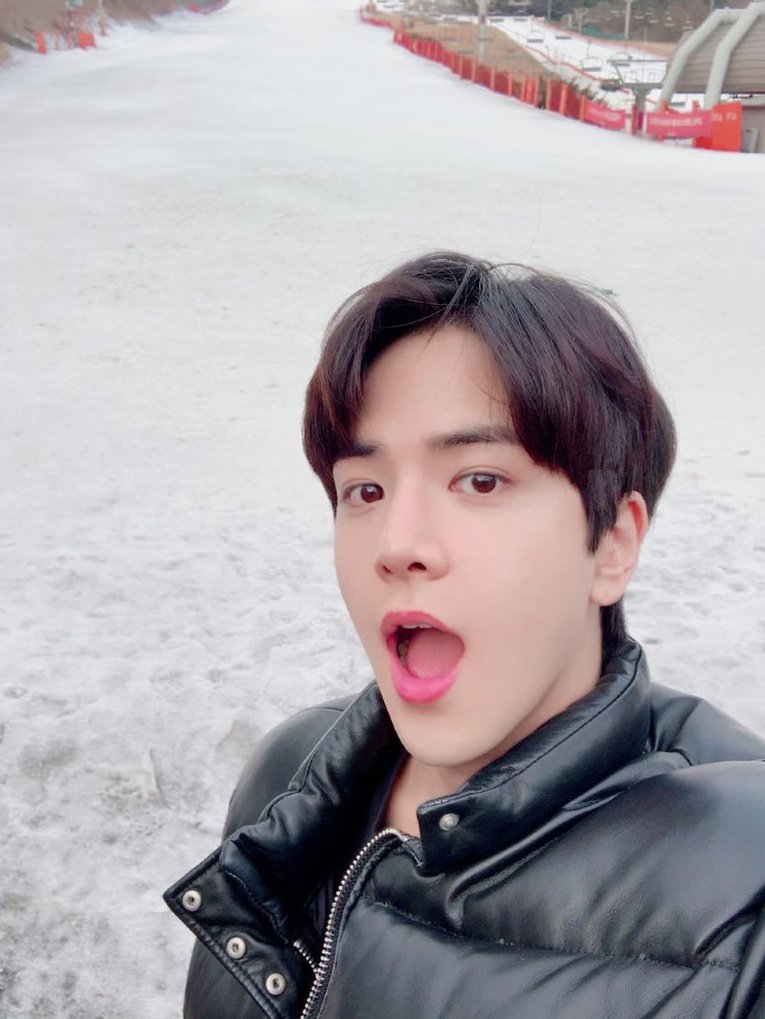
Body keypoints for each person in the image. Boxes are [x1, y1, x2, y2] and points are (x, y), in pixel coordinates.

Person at [164, 252, 765, 1019]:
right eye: (365, 490)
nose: (397, 542)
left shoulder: (743, 901)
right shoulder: (289, 780)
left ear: (612, 543)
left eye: (479, 480)